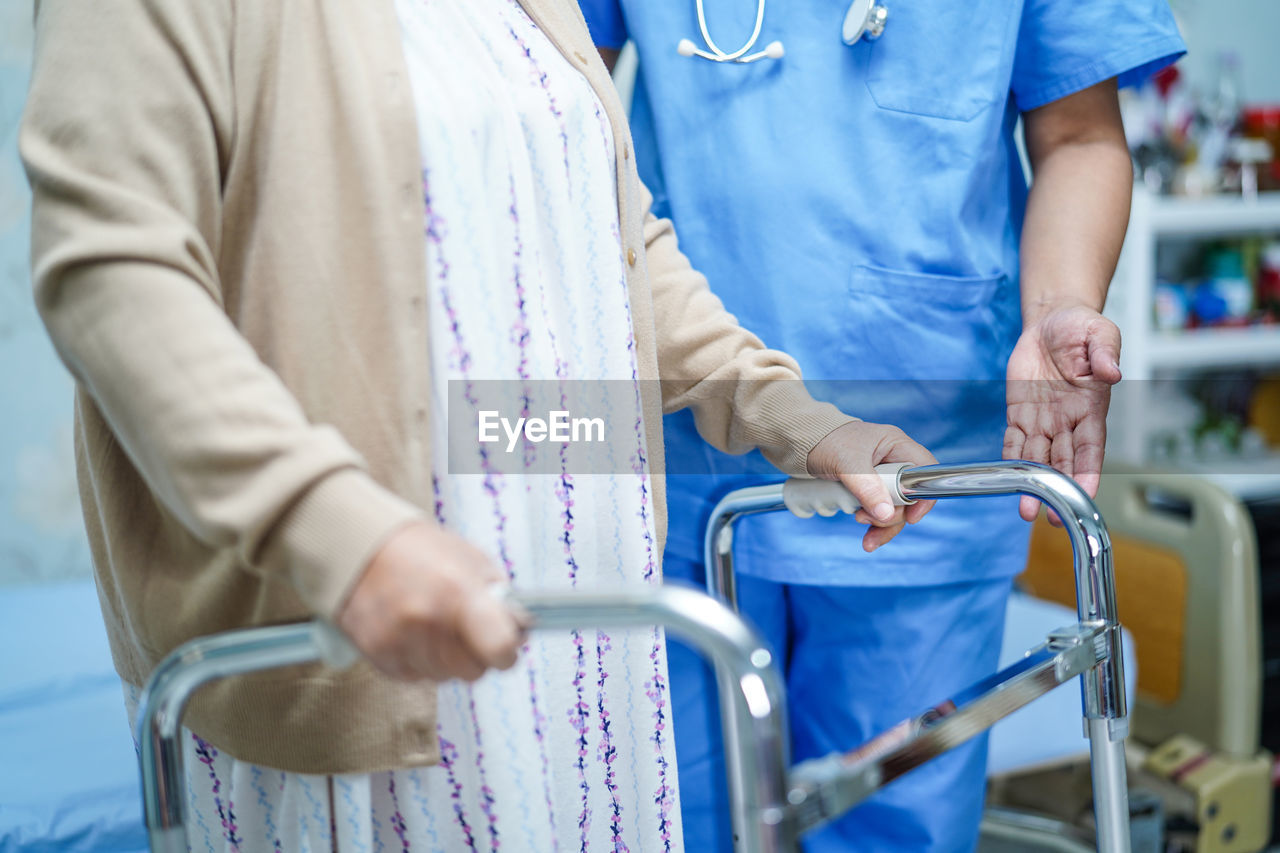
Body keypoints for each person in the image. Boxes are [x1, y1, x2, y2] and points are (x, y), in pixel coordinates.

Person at [21, 0, 937, 849]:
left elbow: (608, 230)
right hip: (356, 622)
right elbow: (114, 271)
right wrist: (340, 534)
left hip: (583, 633)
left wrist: (792, 416)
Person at [577, 1, 1185, 850]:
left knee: (886, 825)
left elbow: (1080, 135)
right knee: (670, 817)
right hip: (677, 438)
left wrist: (1060, 308)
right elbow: (555, 103)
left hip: (921, 453)